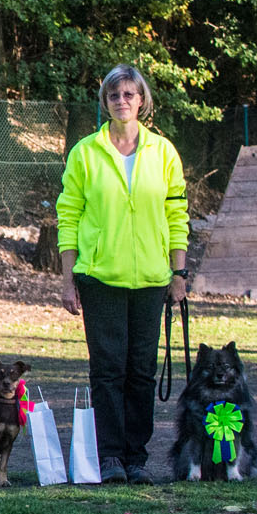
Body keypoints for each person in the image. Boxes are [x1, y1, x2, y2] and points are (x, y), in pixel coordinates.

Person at [56, 64, 190, 484]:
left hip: (152, 279)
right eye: (115, 95)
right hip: (100, 278)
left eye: (130, 94)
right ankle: (110, 456)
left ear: (142, 101)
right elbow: (68, 215)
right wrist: (66, 278)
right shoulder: (85, 152)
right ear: (105, 102)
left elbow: (177, 214)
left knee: (141, 372)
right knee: (107, 370)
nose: (122, 101)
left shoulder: (163, 152)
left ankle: (137, 457)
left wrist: (179, 272)